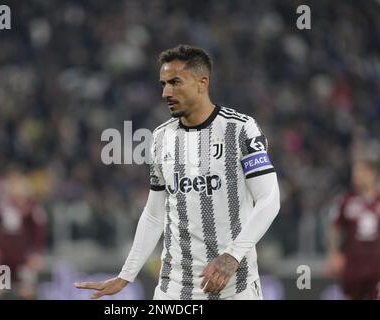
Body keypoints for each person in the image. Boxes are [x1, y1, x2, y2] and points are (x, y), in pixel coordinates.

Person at [75, 44, 281, 300]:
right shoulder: (161, 138)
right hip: (174, 292)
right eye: (163, 84)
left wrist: (232, 255)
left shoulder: (241, 130)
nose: (166, 92)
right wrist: (126, 275)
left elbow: (269, 199)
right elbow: (154, 213)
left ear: (202, 83)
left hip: (234, 289)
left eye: (175, 82)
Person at [0, 169, 47, 299]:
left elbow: (38, 235)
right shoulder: (2, 208)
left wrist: (36, 254)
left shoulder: (33, 210)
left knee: (26, 291)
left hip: (24, 259)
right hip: (4, 259)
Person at [325, 158, 380, 299]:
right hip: (353, 265)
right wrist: (334, 253)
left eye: (360, 172)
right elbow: (335, 228)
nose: (356, 176)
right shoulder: (346, 200)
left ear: (372, 174)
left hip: (377, 264)